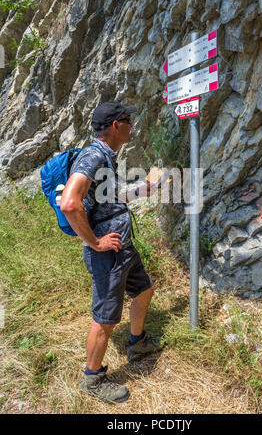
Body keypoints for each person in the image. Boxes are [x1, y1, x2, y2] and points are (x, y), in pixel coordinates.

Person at [60, 101, 162, 404]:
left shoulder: (107, 157)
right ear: (116, 126)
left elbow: (110, 195)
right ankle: (92, 380)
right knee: (105, 319)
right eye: (128, 120)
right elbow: (69, 203)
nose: (132, 124)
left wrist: (143, 189)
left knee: (144, 290)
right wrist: (96, 243)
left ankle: (137, 343)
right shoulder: (92, 155)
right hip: (108, 254)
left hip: (124, 249)